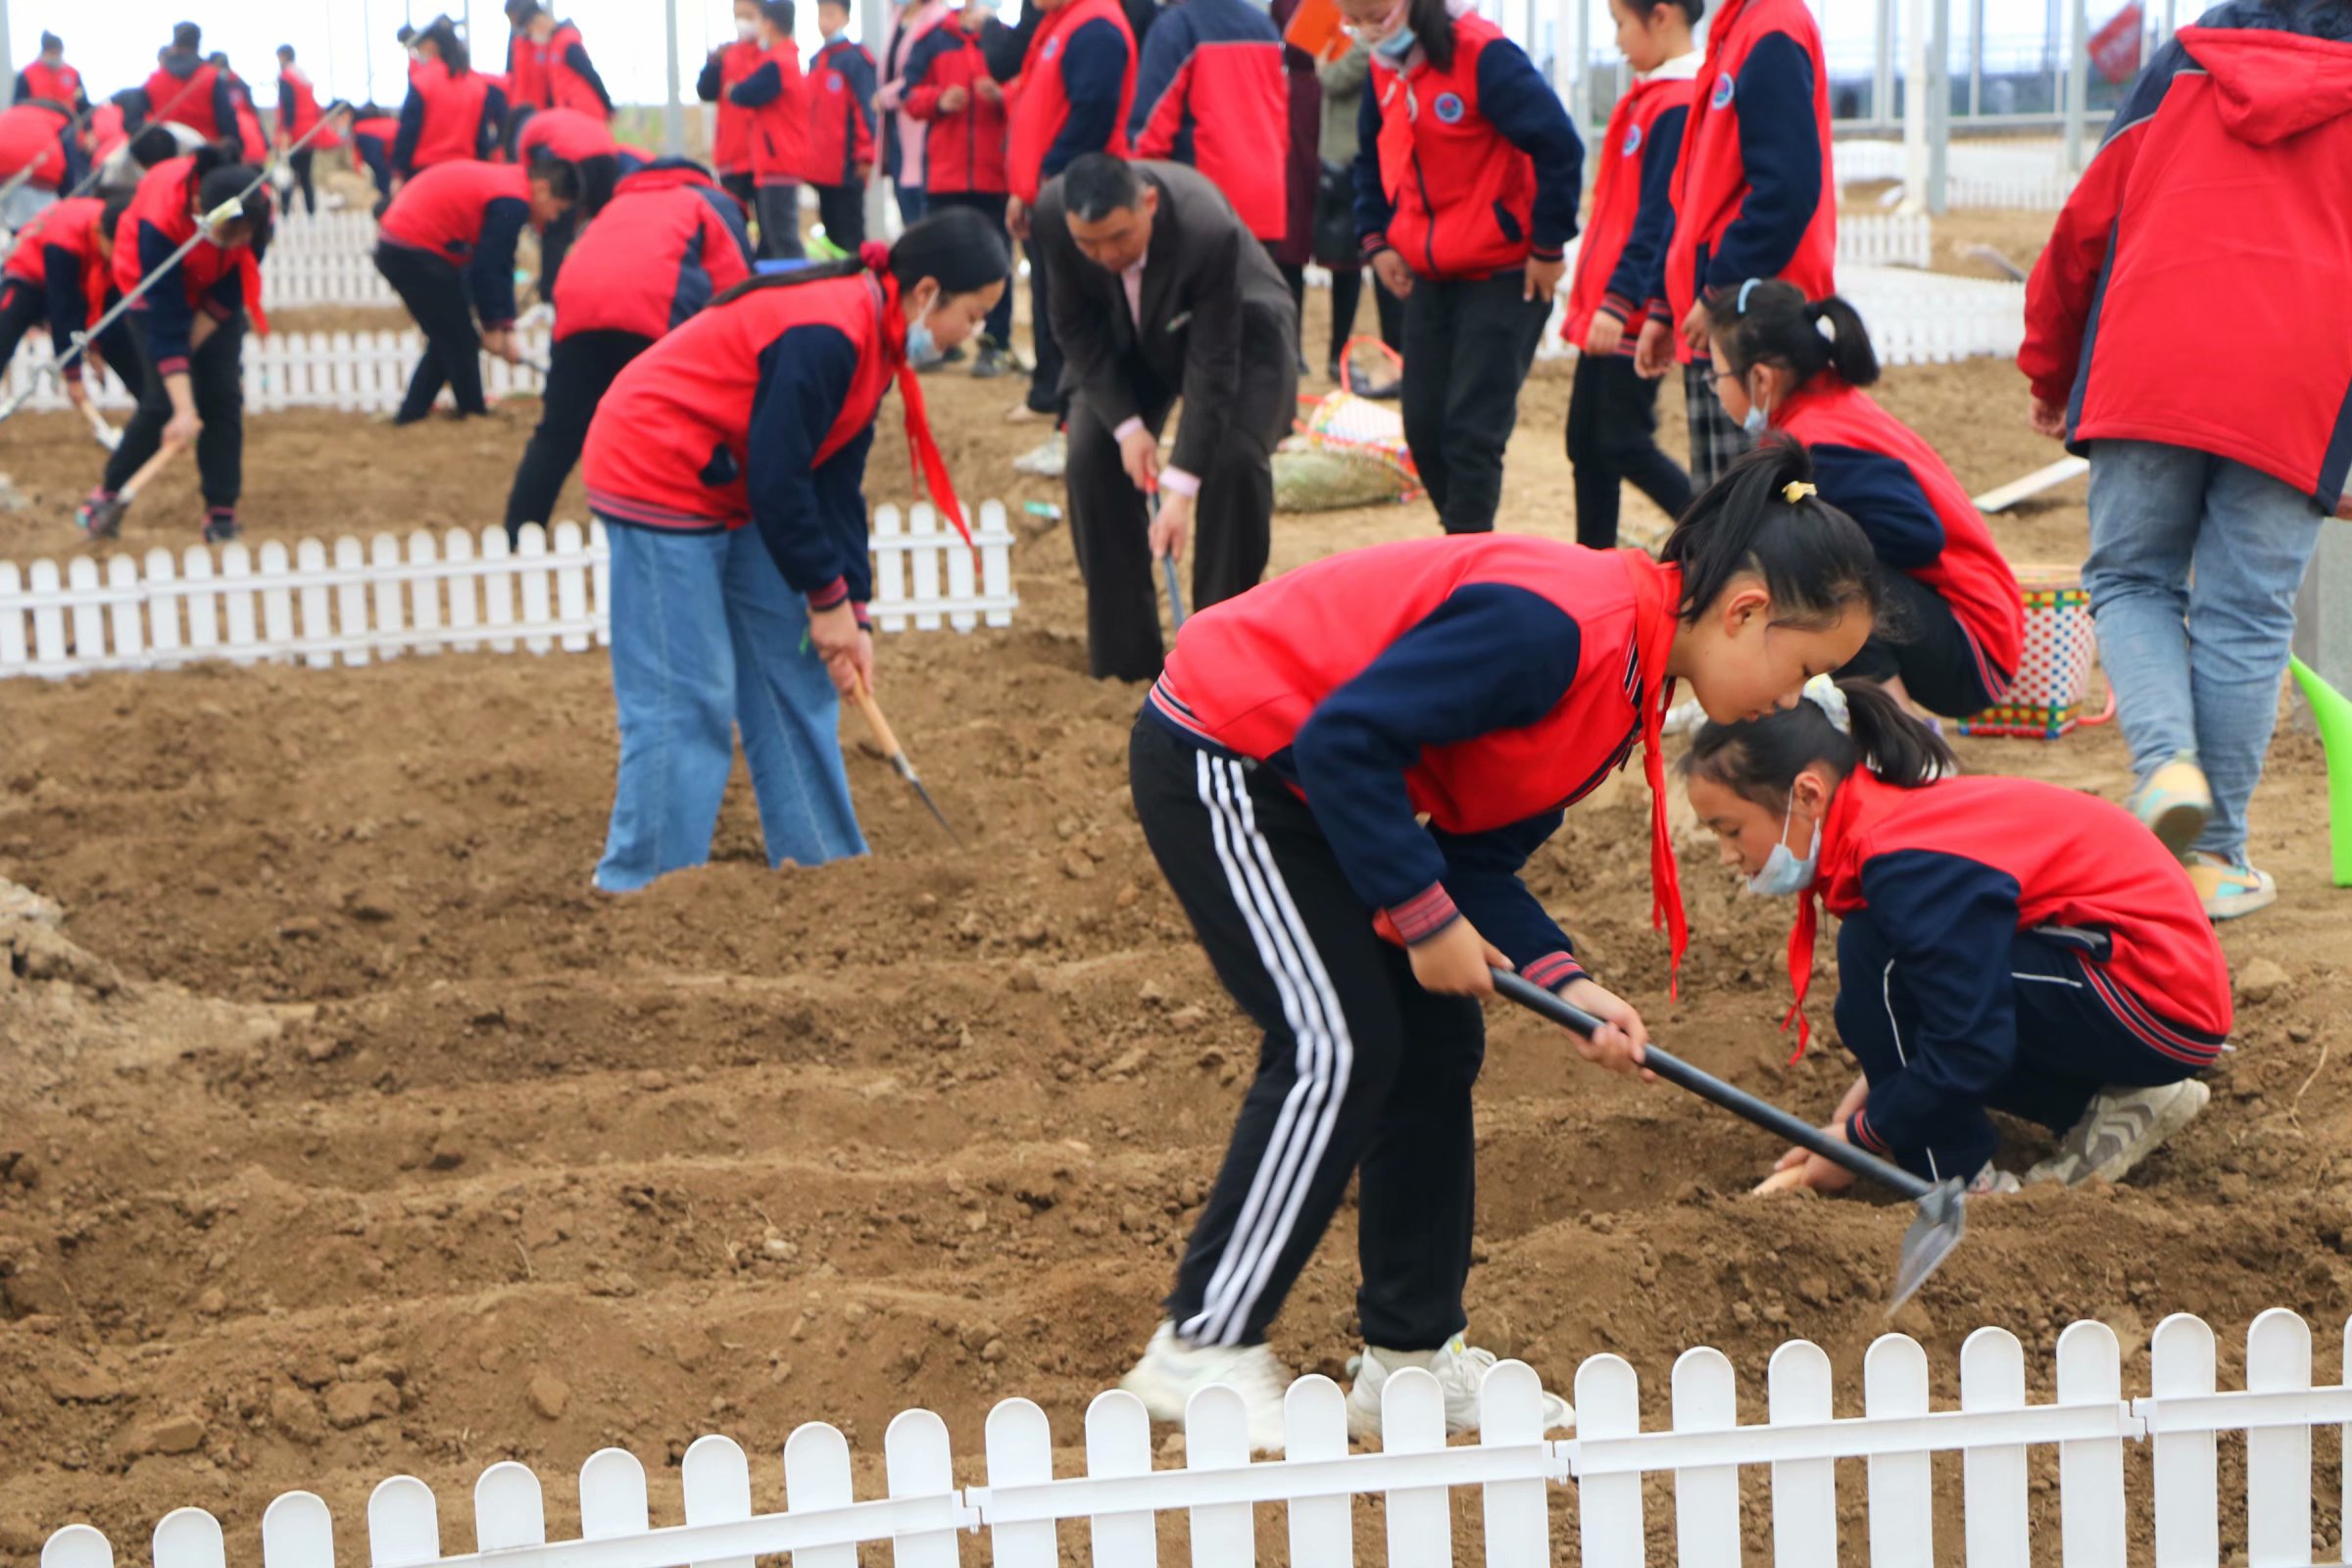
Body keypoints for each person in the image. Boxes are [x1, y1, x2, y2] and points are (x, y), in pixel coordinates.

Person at [1117, 438, 1883, 1451]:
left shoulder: (1625, 691)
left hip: (1322, 785)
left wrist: (1570, 981)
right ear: (1745, 611)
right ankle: (1203, 1340)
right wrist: (1422, 917)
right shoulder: (1561, 626)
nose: (1795, 704)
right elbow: (1347, 738)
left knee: (1436, 1040)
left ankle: (1408, 1360)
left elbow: (1474, 859)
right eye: (1805, 670)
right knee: (1337, 1038)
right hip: (1232, 751)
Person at [2021, 0, 2352, 922]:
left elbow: (2085, 223)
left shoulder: (2185, 63)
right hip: (2299, 380)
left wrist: (2051, 364)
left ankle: (2167, 762)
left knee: (2133, 580)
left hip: (2149, 355)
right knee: (2247, 614)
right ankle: (2217, 857)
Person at [577, 211, 1009, 892]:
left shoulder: (877, 344)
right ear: (927, 294)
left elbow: (835, 481)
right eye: (975, 315)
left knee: (795, 666)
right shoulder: (829, 332)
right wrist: (824, 596)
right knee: (688, 691)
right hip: (658, 465)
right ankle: (644, 888)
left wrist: (851, 610)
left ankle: (826, 870)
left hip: (733, 477)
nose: (972, 335)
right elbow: (781, 480)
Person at [1687, 677, 2229, 1194]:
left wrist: (1862, 1137)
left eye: (1730, 830)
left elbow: (1970, 1043)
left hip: (2154, 997)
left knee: (1883, 965)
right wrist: (1875, 1100)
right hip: (2150, 992)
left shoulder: (1903, 862)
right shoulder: (1892, 829)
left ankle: (1957, 1182)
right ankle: (2109, 1103)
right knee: (1892, 984)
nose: (1728, 855)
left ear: (1808, 796)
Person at [1035, 155, 1298, 682]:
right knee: (1092, 453)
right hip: (1122, 338)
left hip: (1239, 331)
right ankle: (1126, 664)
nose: (1106, 256)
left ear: (1149, 204)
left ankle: (1222, 656)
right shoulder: (1051, 216)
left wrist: (1178, 488)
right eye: (1089, 245)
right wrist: (1129, 428)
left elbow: (1214, 366)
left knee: (1234, 460)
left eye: (1119, 238)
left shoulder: (1207, 228)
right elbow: (1072, 327)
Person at [1709, 281, 2021, 718]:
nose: (1715, 388)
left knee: (1819, 573)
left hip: (1973, 642)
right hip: (1963, 625)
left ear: (1760, 377)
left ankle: (1901, 737)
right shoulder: (1824, 409)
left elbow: (1918, 535)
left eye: (1716, 375)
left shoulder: (1821, 442)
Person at [1346, 0, 1583, 537]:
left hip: (1504, 272)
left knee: (1471, 431)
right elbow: (1369, 155)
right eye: (1352, 20)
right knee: (1423, 425)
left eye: (1374, 17)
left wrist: (1548, 245)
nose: (1365, 32)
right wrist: (1377, 239)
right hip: (1429, 274)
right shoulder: (1383, 69)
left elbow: (1559, 145)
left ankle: (1466, 562)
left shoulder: (1482, 54)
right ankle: (1463, 545)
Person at [1633, 0, 1835, 492]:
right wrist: (1666, 305)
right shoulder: (1734, 33)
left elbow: (1785, 188)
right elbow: (1692, 198)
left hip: (1752, 319)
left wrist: (1718, 289)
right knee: (1725, 509)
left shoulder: (1772, 27)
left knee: (1752, 520)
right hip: (1722, 316)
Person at [506, 160, 754, 543]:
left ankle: (518, 534)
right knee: (673, 429)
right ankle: (681, 524)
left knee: (557, 434)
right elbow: (736, 287)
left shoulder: (616, 206)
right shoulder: (711, 203)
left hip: (578, 315)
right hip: (654, 316)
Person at [76, 145, 272, 544]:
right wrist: (183, 407)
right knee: (161, 402)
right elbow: (164, 323)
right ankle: (109, 492)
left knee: (221, 396)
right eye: (226, 235)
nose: (236, 243)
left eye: (243, 237)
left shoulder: (257, 208)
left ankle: (221, 508)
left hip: (214, 292)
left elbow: (235, 285)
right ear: (202, 208)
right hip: (152, 291)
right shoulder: (160, 220)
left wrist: (195, 342)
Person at [1562, 0, 1696, 550]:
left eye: (1621, 25)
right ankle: (1592, 566)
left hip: (1633, 308)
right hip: (1610, 302)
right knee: (1586, 444)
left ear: (1661, 16)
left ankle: (1727, 536)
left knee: (1622, 441)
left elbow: (1659, 216)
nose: (1616, 41)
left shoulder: (1680, 102)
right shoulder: (1651, 96)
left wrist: (1619, 301)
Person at [1004, 0, 1137, 422]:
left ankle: (1079, 420)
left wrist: (1047, 180)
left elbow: (1093, 114)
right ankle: (1056, 403)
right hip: (1050, 194)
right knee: (1051, 303)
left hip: (1076, 198)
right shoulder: (1061, 23)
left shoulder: (1094, 27)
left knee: (1077, 313)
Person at [373, 155, 579, 425]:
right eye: (557, 208)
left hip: (407, 247)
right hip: (413, 250)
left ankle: (412, 414)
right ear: (541, 189)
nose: (553, 218)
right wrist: (494, 328)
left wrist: (504, 327)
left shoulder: (511, 189)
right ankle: (472, 414)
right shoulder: (513, 199)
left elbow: (502, 265)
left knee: (449, 338)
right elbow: (489, 267)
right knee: (460, 339)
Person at [903, 1, 1018, 374]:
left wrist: (1002, 97)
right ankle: (936, 338)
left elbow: (1025, 88)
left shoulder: (1005, 39)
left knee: (998, 261)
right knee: (938, 261)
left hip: (993, 174)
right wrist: (937, 99)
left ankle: (994, 343)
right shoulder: (932, 39)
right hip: (945, 174)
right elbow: (909, 94)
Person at [1127, 0, 1289, 244]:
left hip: (1200, 205)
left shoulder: (1176, 27)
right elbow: (1281, 117)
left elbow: (1149, 130)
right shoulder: (1266, 27)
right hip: (1264, 201)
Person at [1312, 34, 1398, 383]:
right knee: (1347, 263)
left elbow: (1332, 79)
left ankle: (1391, 354)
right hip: (1347, 164)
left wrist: (1324, 59)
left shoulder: (1368, 46)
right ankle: (1342, 356)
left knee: (1374, 260)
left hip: (1354, 164)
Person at [0, 194, 136, 412]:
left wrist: (95, 346)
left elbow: (100, 302)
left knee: (115, 331)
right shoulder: (64, 241)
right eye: (116, 247)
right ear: (100, 233)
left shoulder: (114, 233)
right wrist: (73, 375)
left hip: (81, 272)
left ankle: (156, 411)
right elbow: (62, 308)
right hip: (29, 272)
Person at [509, 105, 636, 294]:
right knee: (605, 227)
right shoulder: (561, 116)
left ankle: (549, 297)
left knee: (556, 232)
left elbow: (530, 184)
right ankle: (610, 285)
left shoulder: (526, 134)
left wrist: (542, 224)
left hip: (572, 157)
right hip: (608, 153)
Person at [728, 0, 810, 262]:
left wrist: (733, 90)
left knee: (783, 238)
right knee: (775, 237)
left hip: (779, 163)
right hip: (774, 164)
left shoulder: (778, 63)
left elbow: (744, 93)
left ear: (770, 24)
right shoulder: (782, 60)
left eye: (759, 21)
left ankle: (797, 289)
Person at [804, 0, 880, 250]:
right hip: (821, 167)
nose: (824, 20)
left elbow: (867, 110)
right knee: (831, 231)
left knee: (851, 233)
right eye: (820, 14)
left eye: (830, 14)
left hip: (847, 166)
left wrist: (866, 155)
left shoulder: (856, 60)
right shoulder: (817, 61)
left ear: (845, 18)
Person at [396, 19, 507, 179]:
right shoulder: (475, 85)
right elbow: (481, 138)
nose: (418, 52)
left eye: (419, 47)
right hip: (465, 171)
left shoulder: (423, 81)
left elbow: (409, 131)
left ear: (431, 46)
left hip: (425, 173)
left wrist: (399, 171)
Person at [875, 0, 952, 226]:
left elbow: (915, 77)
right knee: (906, 207)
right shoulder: (899, 16)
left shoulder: (938, 17)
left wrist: (886, 96)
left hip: (919, 124)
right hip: (895, 126)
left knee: (922, 213)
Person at [131, 24, 247, 160]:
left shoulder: (153, 80)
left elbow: (134, 121)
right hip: (204, 162)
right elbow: (229, 126)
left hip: (163, 161)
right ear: (198, 43)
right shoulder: (211, 77)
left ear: (174, 43)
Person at [700, 0, 771, 214]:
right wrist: (713, 63)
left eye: (748, 16)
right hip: (732, 157)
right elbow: (706, 92)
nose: (742, 22)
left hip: (765, 160)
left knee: (771, 232)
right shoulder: (725, 55)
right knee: (734, 223)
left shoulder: (772, 56)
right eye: (738, 15)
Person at [503, 0, 614, 118]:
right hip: (566, 113)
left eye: (531, 29)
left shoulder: (565, 42)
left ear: (539, 22)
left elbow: (590, 74)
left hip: (583, 112)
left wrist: (608, 106)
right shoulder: (550, 47)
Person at [0, 97, 88, 230]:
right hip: (35, 176)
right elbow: (71, 172)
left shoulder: (11, 112)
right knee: (31, 230)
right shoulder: (61, 121)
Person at [274, 46, 330, 217]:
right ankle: (311, 212)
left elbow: (288, 107)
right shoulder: (303, 77)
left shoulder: (286, 77)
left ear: (282, 57)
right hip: (309, 132)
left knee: (287, 175)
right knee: (306, 176)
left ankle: (284, 212)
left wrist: (285, 133)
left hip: (294, 133)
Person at [17, 33, 89, 118]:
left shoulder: (73, 74)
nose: (56, 56)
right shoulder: (27, 74)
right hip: (38, 122)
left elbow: (82, 102)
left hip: (67, 124)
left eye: (58, 53)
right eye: (52, 53)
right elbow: (19, 105)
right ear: (44, 52)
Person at [349, 106, 401, 215]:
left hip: (397, 156)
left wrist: (384, 190)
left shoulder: (360, 130)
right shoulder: (375, 124)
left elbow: (375, 160)